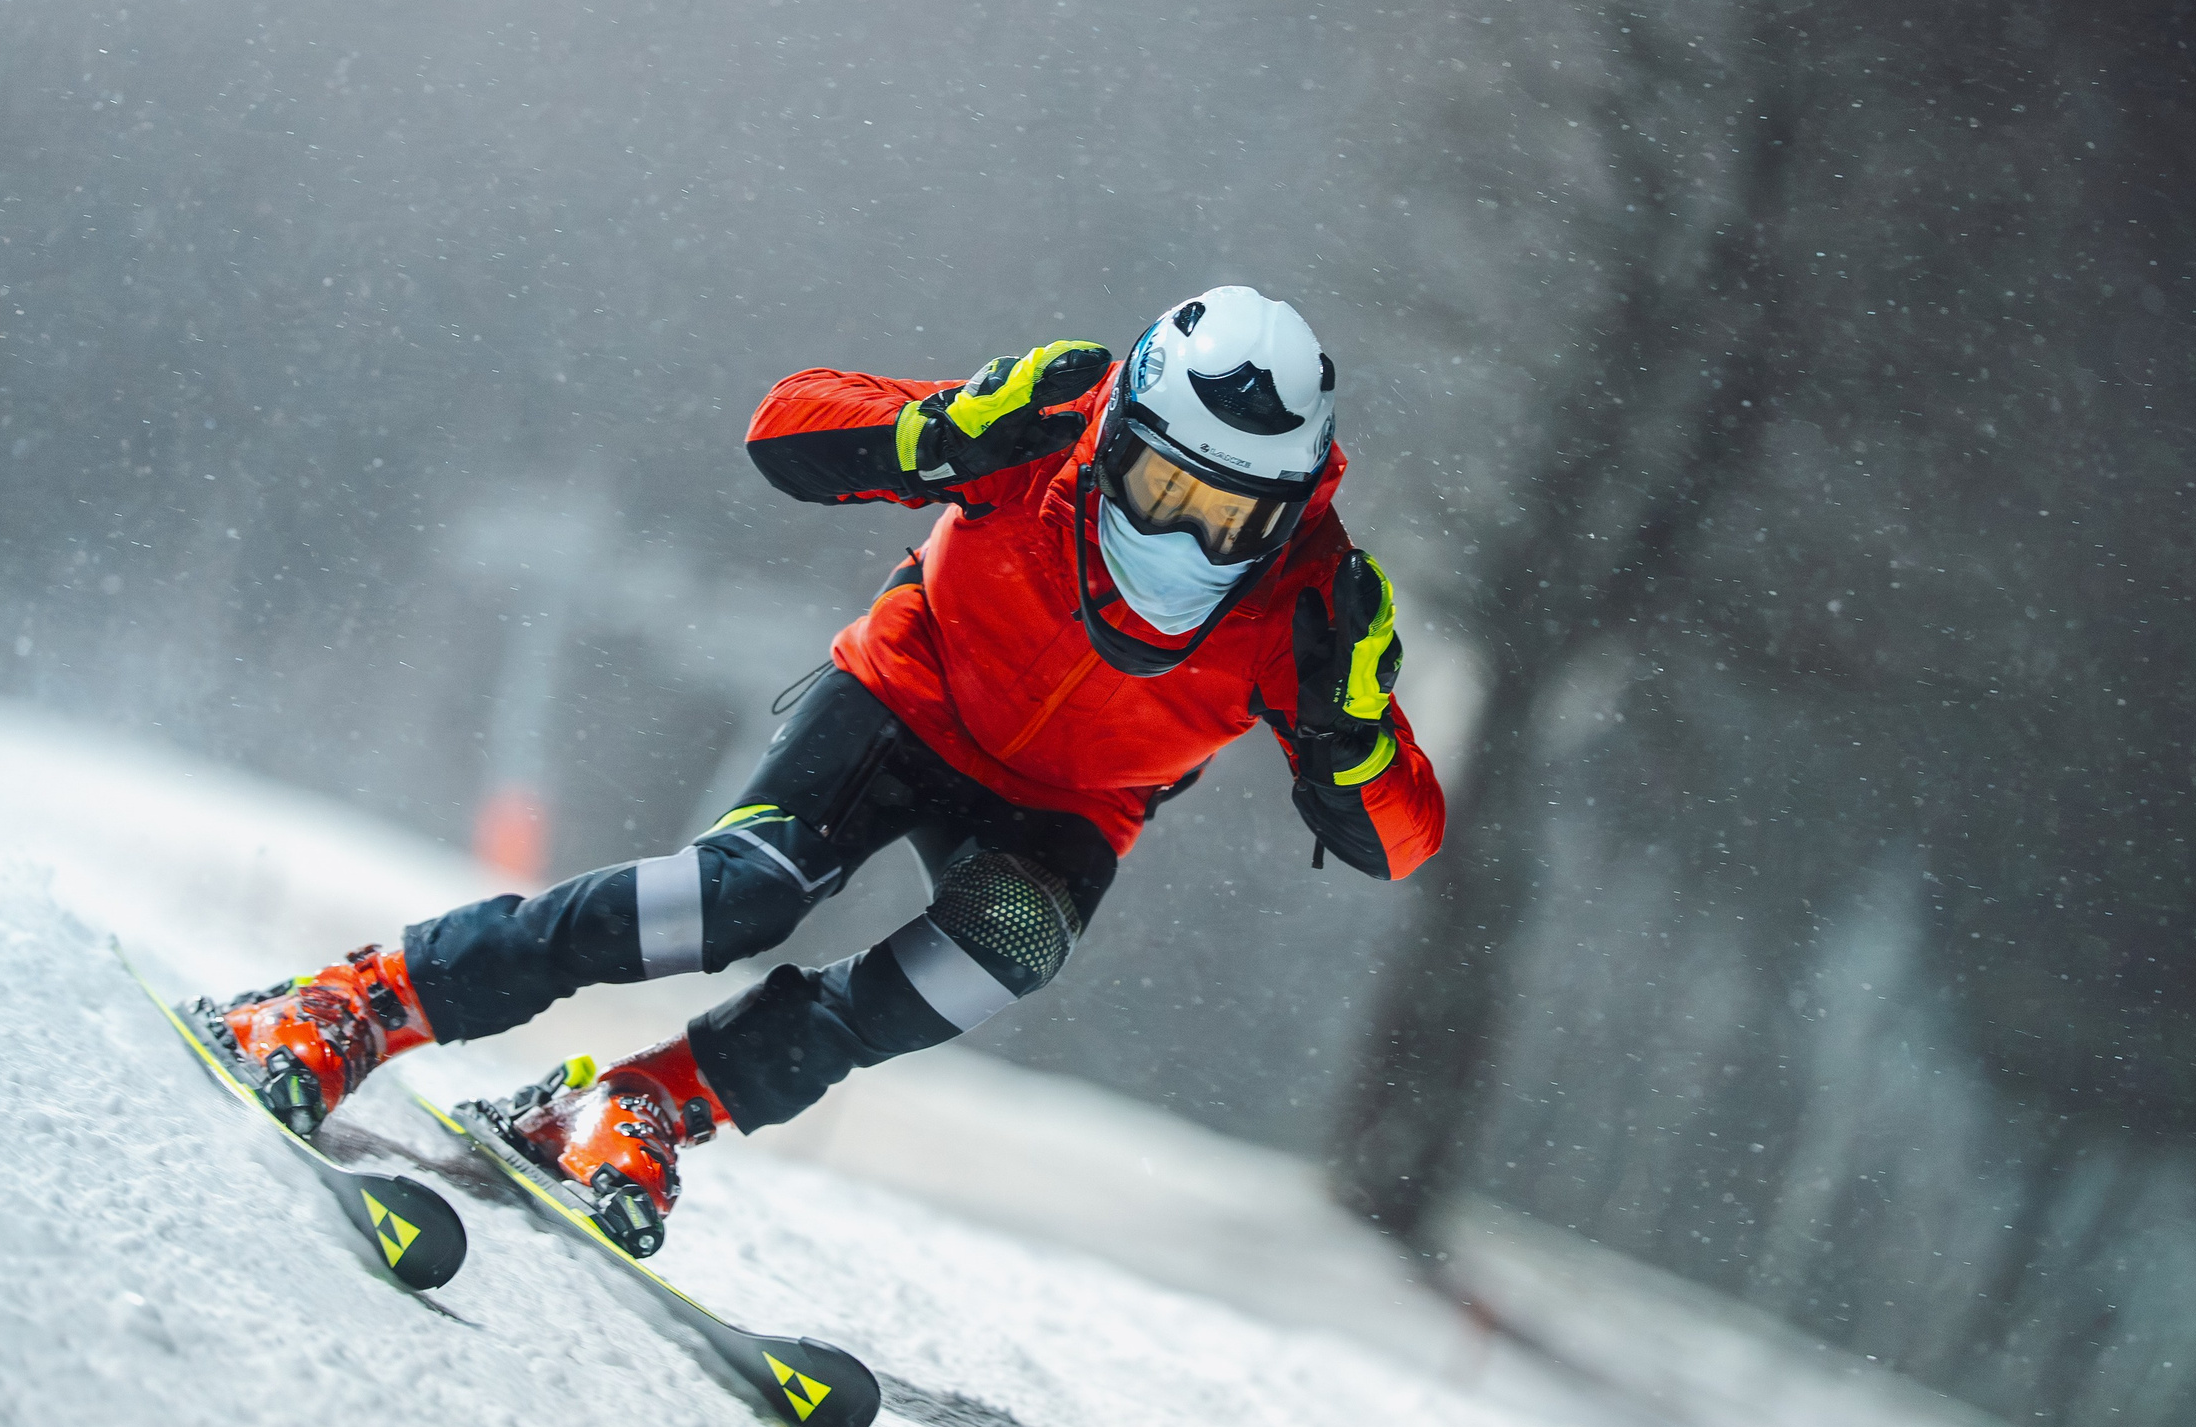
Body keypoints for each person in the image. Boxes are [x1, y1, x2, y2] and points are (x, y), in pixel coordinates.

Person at [203, 287, 1446, 1254]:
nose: (1179, 530)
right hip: (903, 702)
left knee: (1001, 949)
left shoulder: (1313, 609)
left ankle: (644, 1104)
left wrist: (1356, 738)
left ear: (1283, 515)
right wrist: (937, 429)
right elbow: (783, 426)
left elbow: (1399, 842)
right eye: (1161, 485)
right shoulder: (1052, 417)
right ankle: (363, 999)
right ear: (1120, 433)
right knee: (737, 896)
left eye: (1223, 516)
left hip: (1066, 808)